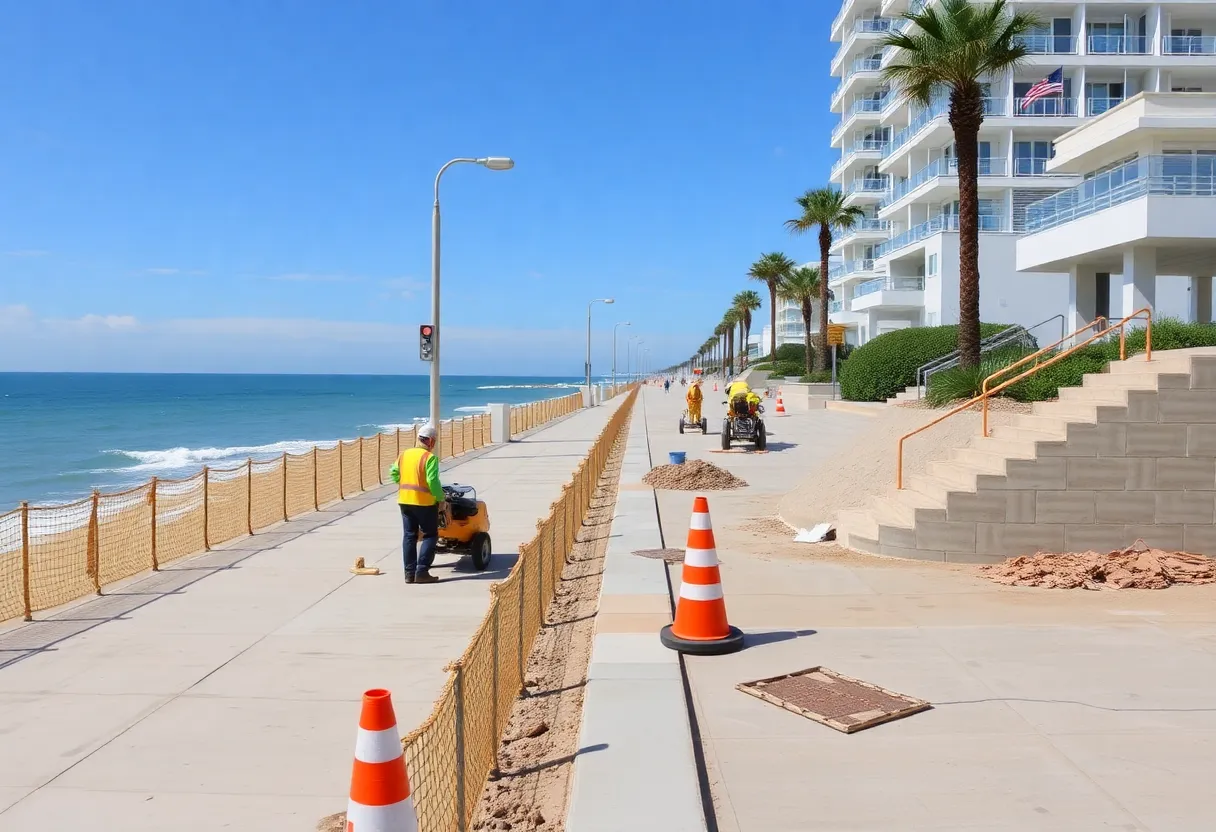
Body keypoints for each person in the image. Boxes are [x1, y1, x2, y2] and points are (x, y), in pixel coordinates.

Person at [390, 423, 446, 584]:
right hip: (424, 503)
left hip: (404, 500)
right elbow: (433, 481)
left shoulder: (404, 454)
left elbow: (393, 472)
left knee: (409, 536)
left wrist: (403, 483)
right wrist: (440, 499)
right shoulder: (429, 458)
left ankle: (409, 574)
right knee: (430, 535)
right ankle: (421, 571)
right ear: (430, 441)